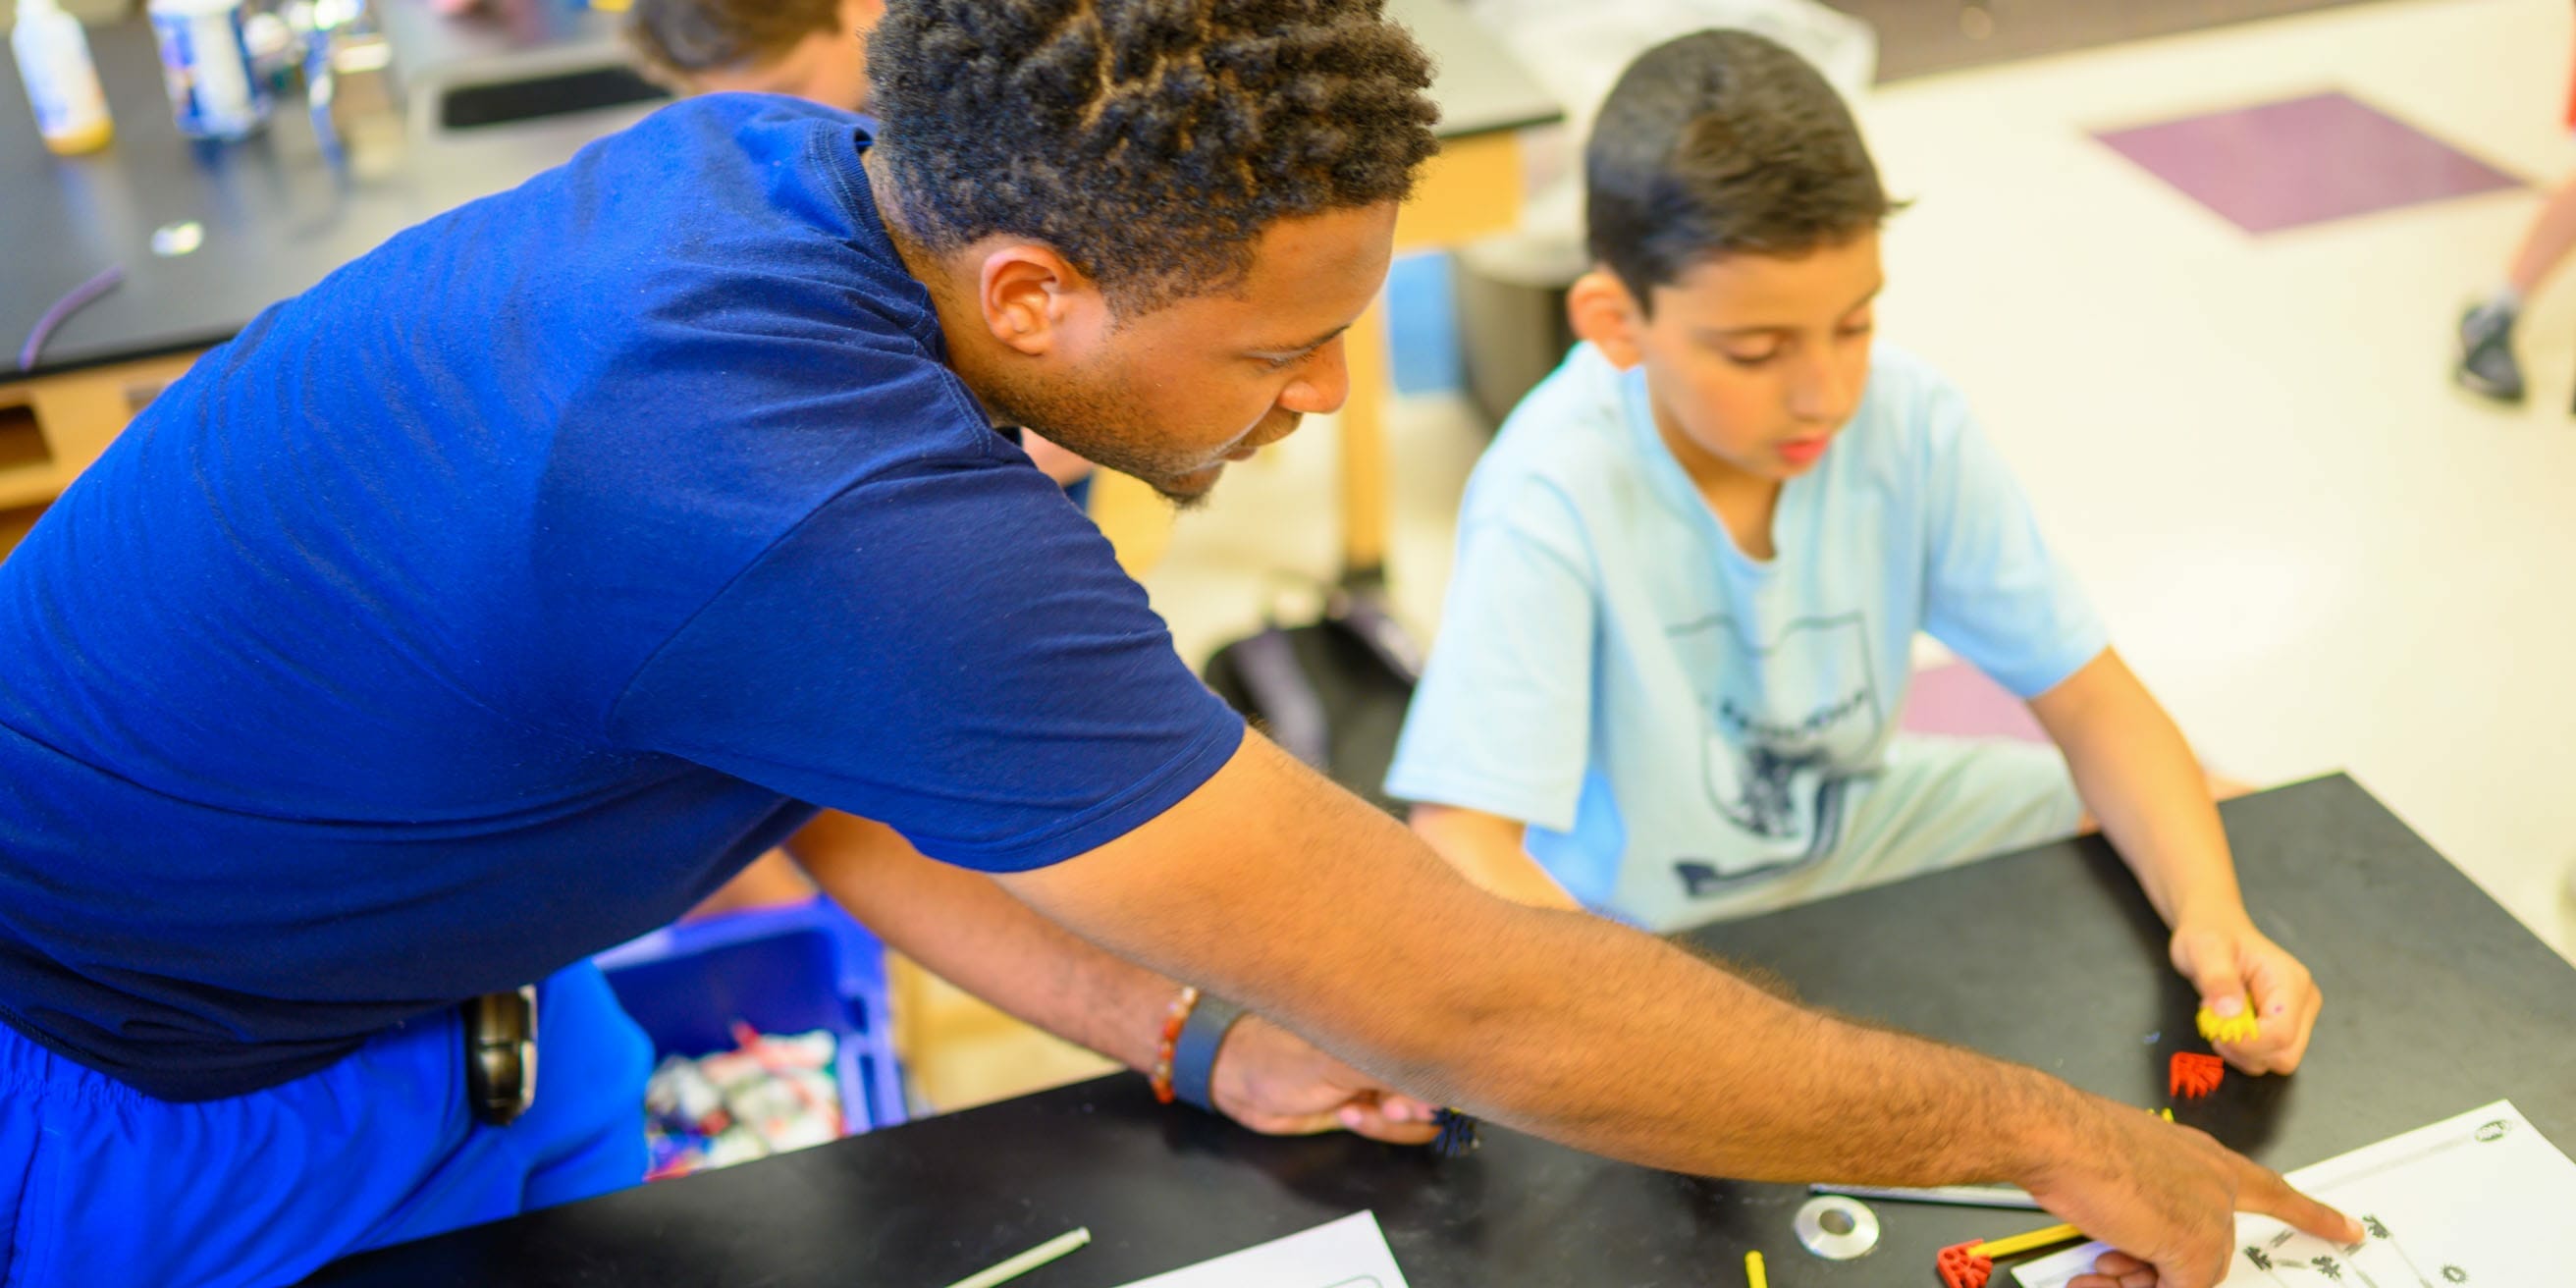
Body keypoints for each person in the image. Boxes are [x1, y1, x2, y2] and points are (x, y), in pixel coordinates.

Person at [0, 5, 2350, 1286]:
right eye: (1278, 346)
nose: (1325, 398)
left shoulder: (792, 195)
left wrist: (1184, 1025)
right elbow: (1470, 991)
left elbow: (824, 771)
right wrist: (2044, 1133)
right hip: (148, 1099)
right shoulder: (807, 497)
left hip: (489, 998)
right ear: (1036, 292)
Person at [1388, 29, 2322, 1094]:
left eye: (1854, 324)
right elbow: (1462, 841)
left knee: (2226, 818)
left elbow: (2090, 699)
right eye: (1755, 351)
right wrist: (1668, 1018)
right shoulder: (1552, 488)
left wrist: (2213, 918)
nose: (1823, 394)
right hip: (1633, 912)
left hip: (1861, 819)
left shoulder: (1907, 421)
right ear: (1616, 323)